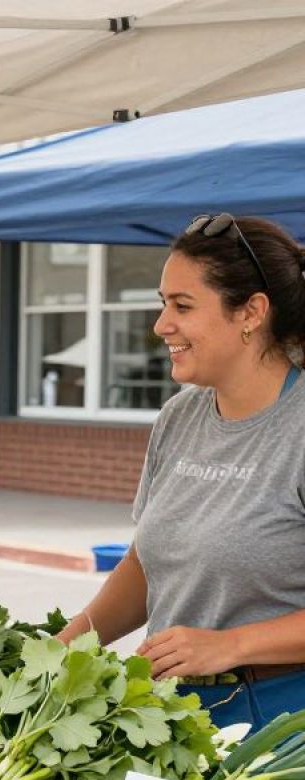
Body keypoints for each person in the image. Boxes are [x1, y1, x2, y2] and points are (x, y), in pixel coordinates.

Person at [57, 213, 305, 731]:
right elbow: (149, 564)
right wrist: (66, 645)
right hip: (172, 710)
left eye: (182, 306)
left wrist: (230, 644)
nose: (161, 324)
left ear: (251, 312)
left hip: (283, 722)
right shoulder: (180, 416)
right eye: (163, 303)